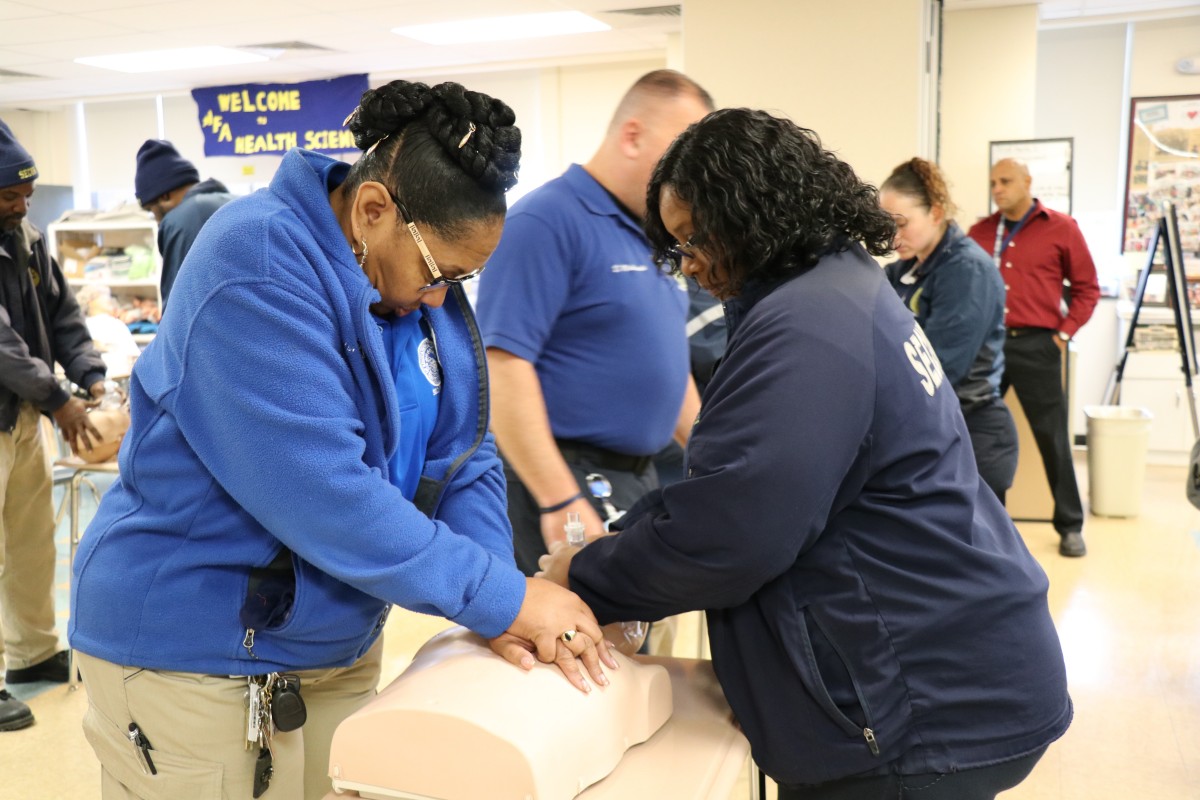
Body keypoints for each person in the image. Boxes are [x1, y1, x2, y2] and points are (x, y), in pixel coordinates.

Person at [70, 80, 614, 800]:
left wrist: (493, 599)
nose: (444, 298)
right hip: (197, 652)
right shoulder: (254, 264)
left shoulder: (416, 284)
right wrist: (500, 595)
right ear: (372, 211)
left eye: (463, 278)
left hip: (332, 644)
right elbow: (321, 491)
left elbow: (464, 453)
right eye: (440, 273)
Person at [540, 109, 1072, 800]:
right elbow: (739, 483)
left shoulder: (810, 328)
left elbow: (732, 537)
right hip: (953, 663)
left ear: (753, 213)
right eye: (676, 249)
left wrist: (584, 573)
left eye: (694, 240)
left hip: (921, 704)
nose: (690, 265)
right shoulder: (836, 286)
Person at [477, 69, 713, 577]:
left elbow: (667, 371)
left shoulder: (653, 237)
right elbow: (503, 366)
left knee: (637, 650)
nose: (689, 176)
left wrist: (711, 455)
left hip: (638, 477)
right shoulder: (545, 222)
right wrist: (560, 498)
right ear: (632, 135)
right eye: (680, 154)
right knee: (578, 648)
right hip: (568, 477)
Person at [0, 118, 108, 731]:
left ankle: (33, 653)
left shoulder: (28, 238)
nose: (22, 205)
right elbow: (3, 344)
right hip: (19, 403)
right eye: (9, 195)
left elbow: (61, 315)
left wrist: (90, 375)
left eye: (26, 193)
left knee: (31, 538)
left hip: (20, 416)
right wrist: (56, 398)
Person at [968, 158, 1099, 557]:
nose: (998, 189)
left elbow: (1086, 289)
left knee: (1053, 436)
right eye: (992, 182)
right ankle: (979, 525)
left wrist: (1061, 336)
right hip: (986, 346)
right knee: (973, 432)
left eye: (1006, 181)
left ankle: (1070, 525)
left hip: (1038, 345)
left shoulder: (1060, 228)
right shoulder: (979, 232)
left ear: (1027, 182)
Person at [880, 158, 1017, 503]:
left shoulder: (967, 271)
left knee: (977, 550)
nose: (893, 237)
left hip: (972, 431)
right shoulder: (904, 272)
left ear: (936, 213)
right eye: (887, 225)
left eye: (902, 224)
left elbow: (939, 367)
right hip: (934, 427)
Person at [133, 139, 233, 311]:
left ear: (165, 197)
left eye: (152, 210)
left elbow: (177, 309)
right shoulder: (235, 202)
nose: (158, 221)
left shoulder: (180, 221)